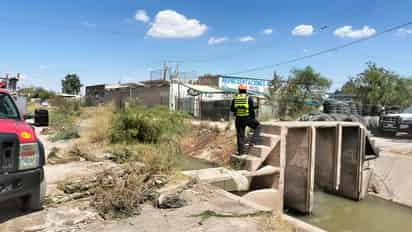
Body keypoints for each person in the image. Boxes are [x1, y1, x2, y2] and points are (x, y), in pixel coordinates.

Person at [231, 83, 261, 155]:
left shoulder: (235, 98)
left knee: (240, 135)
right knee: (258, 126)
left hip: (238, 119)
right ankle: (254, 141)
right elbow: (251, 109)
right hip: (247, 118)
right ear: (245, 90)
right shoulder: (249, 98)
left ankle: (241, 152)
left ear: (239, 90)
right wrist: (253, 117)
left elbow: (232, 109)